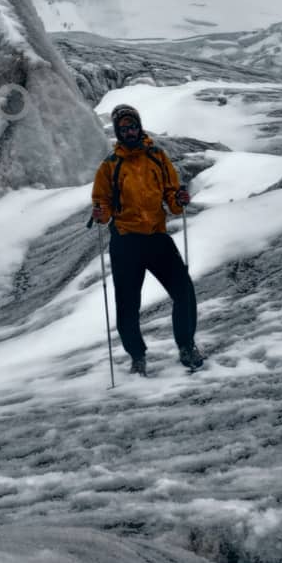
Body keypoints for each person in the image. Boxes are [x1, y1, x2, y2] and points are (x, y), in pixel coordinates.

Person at [90, 103, 203, 374]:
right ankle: (137, 356)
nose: (129, 131)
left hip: (156, 237)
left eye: (132, 126)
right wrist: (100, 212)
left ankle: (186, 345)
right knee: (127, 304)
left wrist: (179, 200)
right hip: (126, 241)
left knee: (184, 292)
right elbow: (101, 205)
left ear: (139, 126)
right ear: (118, 132)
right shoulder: (110, 166)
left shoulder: (157, 157)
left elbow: (172, 198)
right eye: (123, 128)